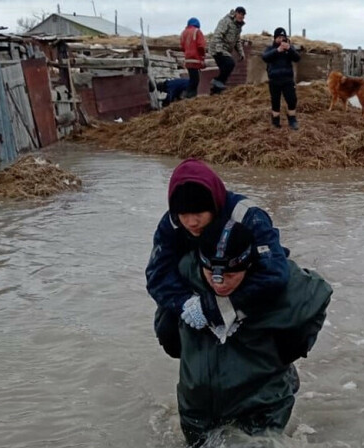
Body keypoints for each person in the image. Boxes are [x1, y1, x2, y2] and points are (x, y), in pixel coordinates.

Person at [176, 220, 332, 446]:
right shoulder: (184, 275)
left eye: (230, 275)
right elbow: (165, 319)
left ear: (248, 265)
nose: (219, 283)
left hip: (262, 402)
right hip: (197, 405)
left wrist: (291, 349)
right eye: (211, 273)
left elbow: (318, 295)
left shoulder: (276, 282)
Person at [145, 158, 290, 361]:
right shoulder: (172, 223)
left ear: (213, 206)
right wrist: (187, 304)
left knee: (284, 329)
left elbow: (274, 273)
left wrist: (216, 308)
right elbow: (157, 275)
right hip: (197, 285)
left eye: (199, 212)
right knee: (167, 331)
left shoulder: (248, 216)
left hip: (245, 284)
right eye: (184, 214)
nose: (191, 222)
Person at [262, 27, 301, 130]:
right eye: (279, 37)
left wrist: (289, 49)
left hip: (287, 79)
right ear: (275, 38)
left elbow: (297, 58)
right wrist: (277, 50)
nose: (281, 39)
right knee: (275, 101)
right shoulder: (270, 49)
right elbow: (265, 57)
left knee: (292, 100)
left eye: (283, 37)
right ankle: (275, 121)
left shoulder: (289, 48)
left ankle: (292, 120)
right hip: (274, 80)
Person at [208, 7, 246, 94]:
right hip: (216, 48)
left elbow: (237, 41)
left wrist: (241, 53)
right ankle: (216, 81)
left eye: (243, 15)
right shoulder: (226, 21)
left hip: (225, 50)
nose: (241, 16)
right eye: (240, 14)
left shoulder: (238, 27)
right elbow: (218, 34)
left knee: (224, 69)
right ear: (235, 13)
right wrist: (219, 49)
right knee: (230, 63)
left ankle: (215, 91)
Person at [180, 17, 207, 98]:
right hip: (196, 59)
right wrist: (202, 58)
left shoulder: (183, 33)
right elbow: (201, 46)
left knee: (193, 79)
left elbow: (182, 47)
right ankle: (188, 95)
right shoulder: (197, 31)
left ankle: (189, 95)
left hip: (188, 60)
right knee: (195, 80)